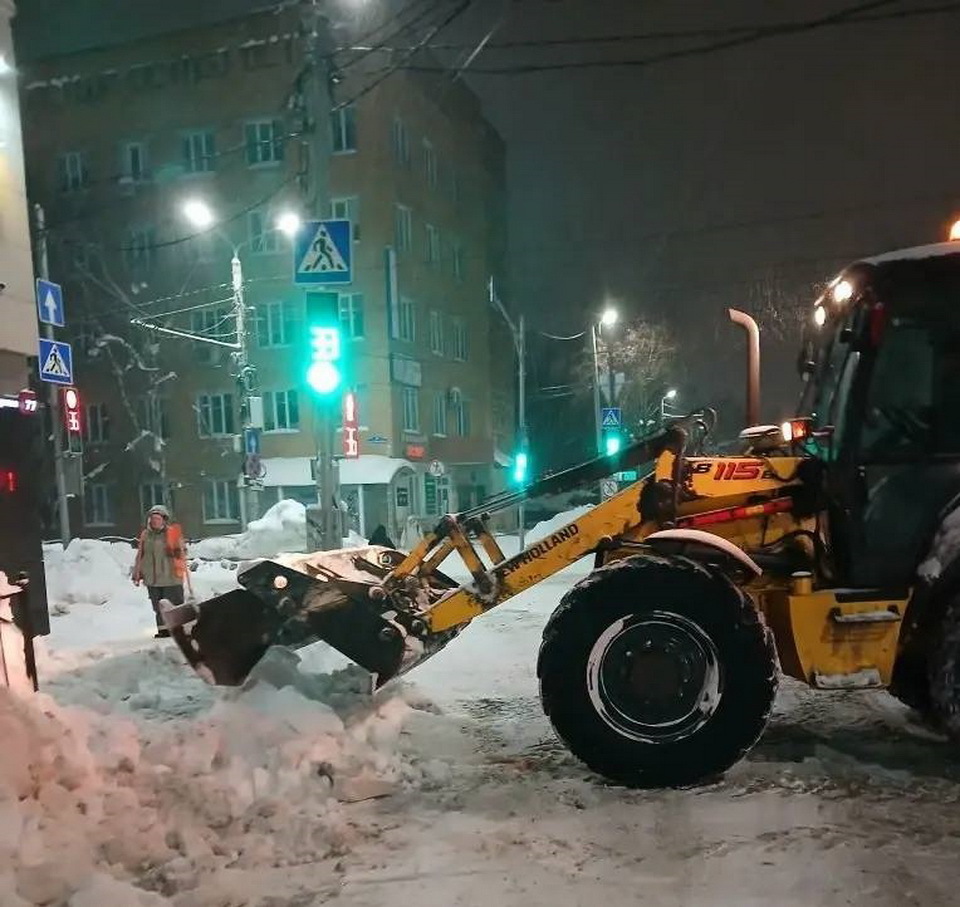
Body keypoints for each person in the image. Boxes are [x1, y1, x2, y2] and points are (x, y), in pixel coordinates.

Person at [132, 504, 187, 638]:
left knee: (173, 605)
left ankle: (178, 629)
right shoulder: (146, 535)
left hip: (171, 577)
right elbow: (140, 555)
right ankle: (163, 630)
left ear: (164, 520)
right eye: (153, 518)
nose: (155, 521)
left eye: (158, 518)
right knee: (158, 607)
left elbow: (182, 552)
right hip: (153, 578)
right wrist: (137, 572)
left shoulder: (172, 533)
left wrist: (176, 550)